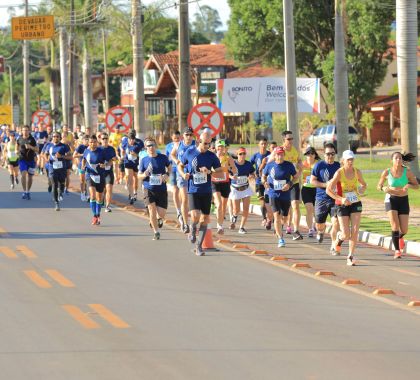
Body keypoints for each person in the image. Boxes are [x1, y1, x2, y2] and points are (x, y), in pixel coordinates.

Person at [178, 130, 223, 256]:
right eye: (205, 143)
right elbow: (180, 165)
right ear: (198, 141)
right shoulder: (190, 152)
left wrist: (210, 172)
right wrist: (183, 174)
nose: (207, 146)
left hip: (206, 191)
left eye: (209, 144)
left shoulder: (211, 156)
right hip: (193, 190)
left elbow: (221, 173)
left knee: (205, 219)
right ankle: (192, 228)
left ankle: (199, 246)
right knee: (195, 216)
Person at [327, 150, 367, 266]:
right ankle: (339, 238)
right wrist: (340, 199)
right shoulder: (339, 173)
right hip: (342, 204)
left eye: (352, 159)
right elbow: (328, 190)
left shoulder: (357, 172)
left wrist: (361, 189)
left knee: (355, 231)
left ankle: (350, 256)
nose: (350, 162)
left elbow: (364, 184)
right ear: (343, 160)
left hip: (355, 202)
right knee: (346, 234)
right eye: (348, 160)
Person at [377, 152, 419, 259]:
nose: (398, 160)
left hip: (403, 200)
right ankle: (397, 251)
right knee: (395, 226)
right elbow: (379, 185)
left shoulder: (407, 172)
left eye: (400, 158)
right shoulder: (387, 172)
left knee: (404, 230)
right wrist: (383, 188)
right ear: (392, 160)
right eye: (396, 158)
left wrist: (409, 185)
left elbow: (417, 186)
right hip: (391, 199)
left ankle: (399, 237)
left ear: (402, 160)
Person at [262, 146, 299, 248]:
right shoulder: (270, 165)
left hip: (285, 194)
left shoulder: (288, 165)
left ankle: (279, 227)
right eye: (278, 154)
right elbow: (263, 176)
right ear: (275, 155)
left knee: (285, 217)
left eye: (281, 154)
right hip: (273, 193)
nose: (279, 156)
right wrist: (264, 182)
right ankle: (280, 238)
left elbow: (296, 177)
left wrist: (289, 184)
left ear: (284, 155)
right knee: (276, 216)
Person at [310, 143, 341, 253]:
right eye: (328, 154)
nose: (330, 156)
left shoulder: (339, 166)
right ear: (324, 154)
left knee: (336, 222)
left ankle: (333, 245)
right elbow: (312, 181)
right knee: (319, 224)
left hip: (335, 199)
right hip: (321, 198)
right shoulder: (319, 165)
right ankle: (320, 232)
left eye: (332, 154)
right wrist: (325, 185)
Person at [139, 137, 171, 240]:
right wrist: (144, 174)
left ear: (155, 146)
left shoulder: (163, 158)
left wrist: (167, 174)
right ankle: (156, 232)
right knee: (152, 210)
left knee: (161, 214)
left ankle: (158, 219)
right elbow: (139, 175)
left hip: (161, 189)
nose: (150, 147)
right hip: (149, 189)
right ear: (145, 148)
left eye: (152, 145)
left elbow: (169, 167)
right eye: (148, 146)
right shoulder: (144, 160)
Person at [171, 127, 196, 233]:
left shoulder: (196, 144)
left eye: (191, 135)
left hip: (194, 174)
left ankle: (194, 222)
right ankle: (185, 224)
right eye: (187, 135)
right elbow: (172, 154)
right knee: (185, 199)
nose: (189, 137)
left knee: (194, 200)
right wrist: (177, 161)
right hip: (181, 174)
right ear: (183, 136)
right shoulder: (178, 145)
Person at [211, 139, 237, 234]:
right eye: (218, 146)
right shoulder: (212, 157)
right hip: (215, 182)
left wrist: (235, 174)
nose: (220, 148)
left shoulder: (228, 157)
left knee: (223, 206)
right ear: (216, 147)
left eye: (222, 147)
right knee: (219, 204)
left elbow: (234, 167)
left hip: (225, 183)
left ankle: (220, 223)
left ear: (224, 148)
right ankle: (219, 226)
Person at [282, 130, 303, 240]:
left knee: (295, 205)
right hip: (283, 184)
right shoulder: (281, 151)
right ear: (284, 140)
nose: (291, 141)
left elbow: (299, 161)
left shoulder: (295, 150)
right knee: (286, 209)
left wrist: (300, 167)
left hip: (294, 182)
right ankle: (284, 225)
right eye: (288, 139)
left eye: (292, 139)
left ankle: (296, 230)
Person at [229, 147, 255, 234]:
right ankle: (234, 216)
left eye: (244, 154)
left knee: (246, 209)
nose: (242, 156)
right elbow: (227, 173)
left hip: (246, 188)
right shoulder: (233, 164)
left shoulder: (248, 164)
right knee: (236, 210)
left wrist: (252, 176)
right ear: (237, 155)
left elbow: (252, 173)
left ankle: (241, 227)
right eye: (240, 154)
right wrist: (231, 177)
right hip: (235, 189)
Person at [82, 135, 106, 225]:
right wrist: (83, 166)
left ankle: (98, 213)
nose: (93, 144)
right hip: (90, 175)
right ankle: (95, 215)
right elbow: (84, 159)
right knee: (92, 195)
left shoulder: (101, 151)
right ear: (89, 143)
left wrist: (105, 165)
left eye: (94, 142)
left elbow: (109, 161)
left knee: (99, 197)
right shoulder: (86, 151)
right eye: (91, 142)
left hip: (100, 175)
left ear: (97, 142)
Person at [250, 138, 273, 230]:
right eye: (262, 144)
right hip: (259, 181)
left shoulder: (270, 155)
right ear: (259, 145)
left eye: (265, 144)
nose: (263, 145)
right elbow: (249, 164)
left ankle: (269, 219)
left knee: (268, 201)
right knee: (262, 202)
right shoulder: (255, 156)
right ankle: (264, 218)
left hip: (268, 181)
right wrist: (251, 173)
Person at [47, 132, 72, 211]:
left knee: (61, 183)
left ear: (60, 137)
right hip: (52, 168)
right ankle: (56, 203)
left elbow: (70, 157)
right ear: (52, 137)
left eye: (57, 136)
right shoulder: (49, 146)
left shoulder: (64, 146)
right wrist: (47, 159)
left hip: (61, 168)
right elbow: (45, 154)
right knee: (54, 184)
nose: (55, 138)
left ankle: (61, 191)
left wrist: (61, 156)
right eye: (54, 136)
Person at [301, 146, 321, 237]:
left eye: (312, 154)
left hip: (317, 189)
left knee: (316, 210)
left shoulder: (319, 164)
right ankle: (310, 229)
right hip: (306, 189)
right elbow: (296, 175)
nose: (310, 156)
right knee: (309, 209)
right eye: (308, 154)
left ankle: (315, 224)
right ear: (306, 155)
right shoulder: (302, 164)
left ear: (314, 155)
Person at [17, 125, 39, 200]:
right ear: (21, 131)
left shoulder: (32, 139)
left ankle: (28, 191)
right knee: (23, 174)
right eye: (24, 130)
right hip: (22, 159)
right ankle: (24, 191)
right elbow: (17, 146)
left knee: (30, 177)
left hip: (31, 160)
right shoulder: (19, 139)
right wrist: (17, 151)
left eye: (26, 130)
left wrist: (30, 147)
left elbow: (37, 149)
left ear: (29, 131)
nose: (25, 132)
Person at [122, 131, 144, 204]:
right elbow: (121, 148)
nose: (131, 140)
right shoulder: (125, 143)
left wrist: (135, 155)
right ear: (128, 139)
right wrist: (122, 155)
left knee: (136, 178)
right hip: (128, 163)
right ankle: (131, 196)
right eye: (130, 139)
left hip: (136, 164)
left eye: (133, 139)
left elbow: (141, 155)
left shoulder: (138, 145)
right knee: (129, 178)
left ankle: (135, 192)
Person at [165, 131, 182, 220]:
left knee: (183, 191)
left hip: (182, 170)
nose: (176, 140)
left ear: (180, 137)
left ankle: (183, 207)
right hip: (173, 170)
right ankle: (178, 210)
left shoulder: (183, 145)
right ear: (172, 138)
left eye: (178, 138)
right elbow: (166, 160)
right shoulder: (168, 146)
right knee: (175, 190)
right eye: (175, 138)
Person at [100, 132, 117, 212]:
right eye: (103, 138)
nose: (105, 140)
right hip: (100, 172)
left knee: (109, 189)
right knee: (102, 189)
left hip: (109, 172)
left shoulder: (111, 149)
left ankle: (107, 206)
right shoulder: (98, 149)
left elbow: (114, 158)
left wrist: (110, 162)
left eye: (106, 138)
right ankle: (102, 199)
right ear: (101, 139)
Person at [73, 134, 89, 201]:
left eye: (88, 139)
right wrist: (82, 154)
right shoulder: (80, 147)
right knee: (82, 181)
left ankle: (88, 194)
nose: (87, 141)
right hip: (81, 166)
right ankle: (82, 193)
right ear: (83, 140)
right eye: (85, 140)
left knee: (88, 181)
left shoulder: (91, 147)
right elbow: (74, 155)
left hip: (89, 166)